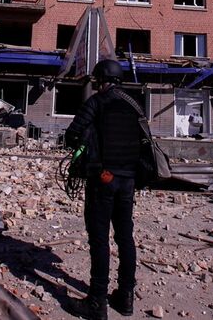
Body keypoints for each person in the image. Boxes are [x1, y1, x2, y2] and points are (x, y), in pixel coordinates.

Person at [65, 59, 145, 320]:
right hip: (129, 181)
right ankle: (125, 297)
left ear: (100, 79)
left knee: (99, 239)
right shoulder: (134, 105)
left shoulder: (97, 102)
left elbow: (72, 135)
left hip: (103, 179)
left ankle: (97, 302)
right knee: (125, 237)